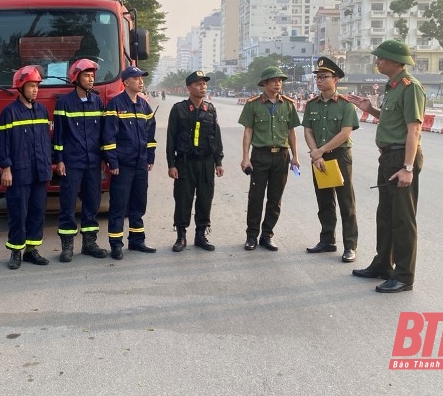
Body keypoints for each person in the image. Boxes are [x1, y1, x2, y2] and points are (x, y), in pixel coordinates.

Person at [347, 40, 425, 293]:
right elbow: (394, 120)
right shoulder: (392, 88)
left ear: (394, 61)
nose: (377, 61)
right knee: (386, 215)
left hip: (402, 157)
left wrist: (408, 167)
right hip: (389, 157)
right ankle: (383, 265)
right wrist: (371, 110)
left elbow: (414, 129)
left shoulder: (410, 87)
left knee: (403, 219)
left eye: (380, 58)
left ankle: (403, 276)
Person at [302, 57, 360, 263]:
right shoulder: (311, 105)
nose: (319, 80)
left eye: (324, 77)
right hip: (318, 156)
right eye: (317, 77)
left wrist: (321, 150)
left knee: (346, 202)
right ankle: (327, 240)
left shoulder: (346, 105)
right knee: (324, 200)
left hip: (339, 155)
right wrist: (314, 152)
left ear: (335, 79)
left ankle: (350, 246)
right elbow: (307, 130)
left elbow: (345, 133)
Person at [238, 66, 301, 251]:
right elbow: (248, 131)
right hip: (260, 156)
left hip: (281, 156)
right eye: (274, 80)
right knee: (256, 198)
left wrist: (295, 156)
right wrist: (245, 158)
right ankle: (251, 236)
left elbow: (291, 132)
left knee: (275, 199)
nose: (278, 83)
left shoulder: (288, 104)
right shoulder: (253, 104)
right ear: (264, 83)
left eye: (280, 80)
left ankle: (267, 235)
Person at [0, 65, 53, 269]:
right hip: (19, 171)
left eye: (37, 86)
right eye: (31, 86)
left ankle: (31, 250)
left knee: (37, 212)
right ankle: (15, 251)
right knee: (18, 212)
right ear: (20, 87)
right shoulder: (9, 112)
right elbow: (3, 143)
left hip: (40, 170)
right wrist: (6, 168)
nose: (35, 90)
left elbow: (45, 141)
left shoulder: (41, 110)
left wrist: (48, 165)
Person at [53, 59, 108, 262]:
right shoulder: (64, 103)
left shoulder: (98, 102)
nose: (91, 79)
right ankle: (67, 246)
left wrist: (103, 157)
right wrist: (59, 160)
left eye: (93, 76)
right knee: (67, 204)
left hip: (93, 162)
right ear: (76, 78)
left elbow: (102, 133)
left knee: (92, 203)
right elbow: (58, 136)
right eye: (87, 75)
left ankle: (89, 243)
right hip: (72, 161)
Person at [102, 65, 157, 260]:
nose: (141, 81)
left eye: (142, 78)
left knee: (138, 203)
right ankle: (116, 244)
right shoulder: (115, 105)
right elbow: (108, 137)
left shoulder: (144, 105)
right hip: (123, 166)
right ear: (126, 82)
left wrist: (150, 156)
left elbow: (150, 132)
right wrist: (113, 163)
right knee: (119, 205)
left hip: (141, 164)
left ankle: (136, 240)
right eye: (137, 78)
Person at [166, 71, 224, 252]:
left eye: (204, 84)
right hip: (185, 162)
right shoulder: (178, 109)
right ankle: (181, 235)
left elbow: (216, 136)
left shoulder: (210, 109)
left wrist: (218, 161)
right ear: (189, 88)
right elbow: (171, 138)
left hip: (206, 162)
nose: (203, 87)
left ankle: (201, 235)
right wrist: (171, 164)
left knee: (205, 198)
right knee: (183, 198)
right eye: (198, 84)